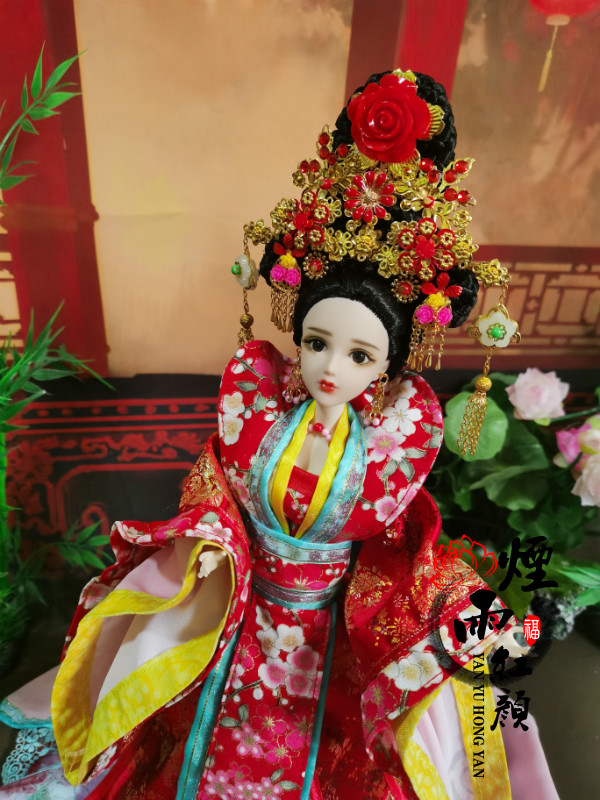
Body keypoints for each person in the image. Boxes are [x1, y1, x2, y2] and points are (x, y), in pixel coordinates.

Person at [0, 69, 559, 800]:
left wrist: (468, 613)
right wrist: (208, 545)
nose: (331, 367)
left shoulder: (393, 440)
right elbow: (213, 495)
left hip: (328, 638)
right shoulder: (259, 404)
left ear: (392, 363)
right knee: (195, 746)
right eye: (317, 343)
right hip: (241, 614)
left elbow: (406, 552)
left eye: (360, 356)